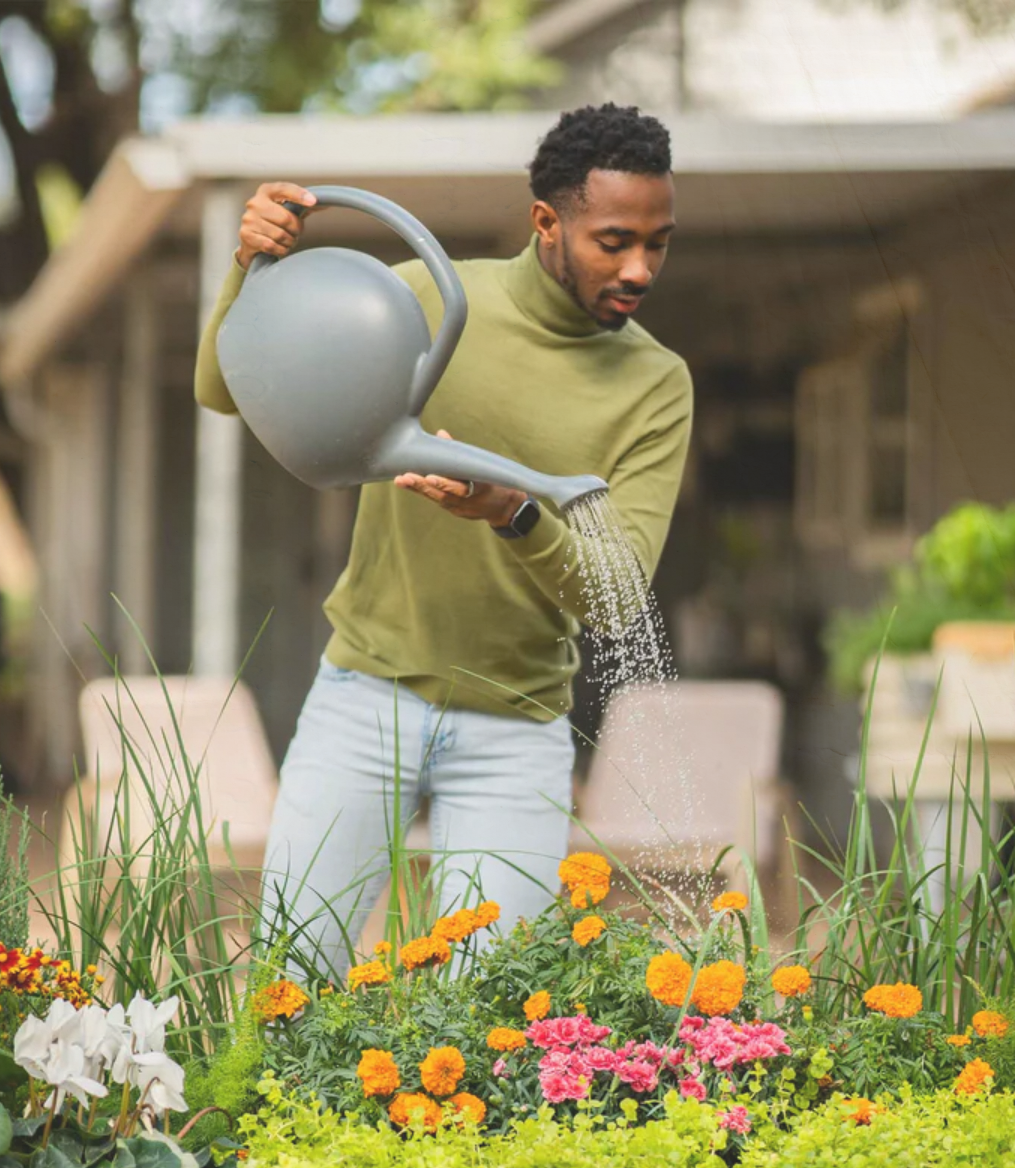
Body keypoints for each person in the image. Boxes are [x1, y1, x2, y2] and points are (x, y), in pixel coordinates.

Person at [194, 102, 692, 972]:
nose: (641, 267)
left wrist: (514, 512)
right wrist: (250, 268)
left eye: (658, 241)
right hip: (364, 700)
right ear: (548, 221)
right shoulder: (427, 296)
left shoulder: (655, 386)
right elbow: (224, 388)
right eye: (614, 240)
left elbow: (615, 596)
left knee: (492, 1018)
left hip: (518, 728)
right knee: (293, 984)